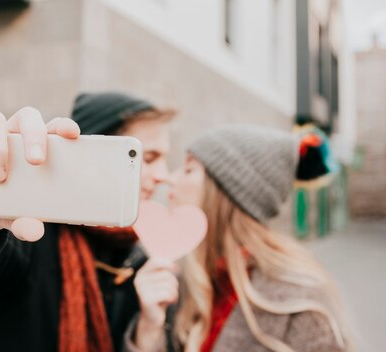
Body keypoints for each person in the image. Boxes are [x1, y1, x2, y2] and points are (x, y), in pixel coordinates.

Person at [0, 91, 175, 352]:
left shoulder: (139, 253)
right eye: (146, 158)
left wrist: (149, 329)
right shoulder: (27, 231)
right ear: (96, 156)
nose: (164, 175)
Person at [129, 125, 352, 352]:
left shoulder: (300, 300)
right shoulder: (189, 281)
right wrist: (149, 328)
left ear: (224, 193)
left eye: (189, 169)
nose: (170, 179)